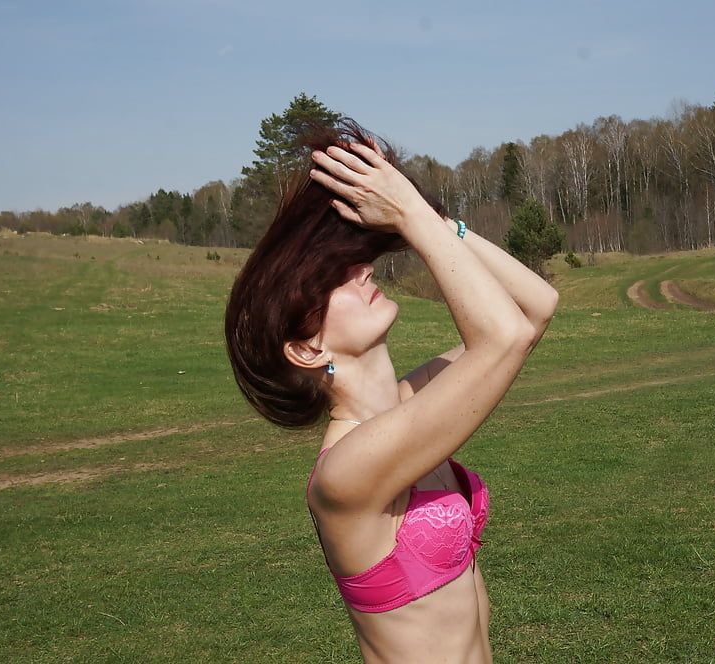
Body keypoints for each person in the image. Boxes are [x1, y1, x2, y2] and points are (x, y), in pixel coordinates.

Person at [225, 119, 558, 663]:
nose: (358, 271)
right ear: (308, 350)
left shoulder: (409, 403)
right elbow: (505, 337)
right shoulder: (344, 473)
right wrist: (409, 213)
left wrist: (437, 222)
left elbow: (533, 308)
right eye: (331, 283)